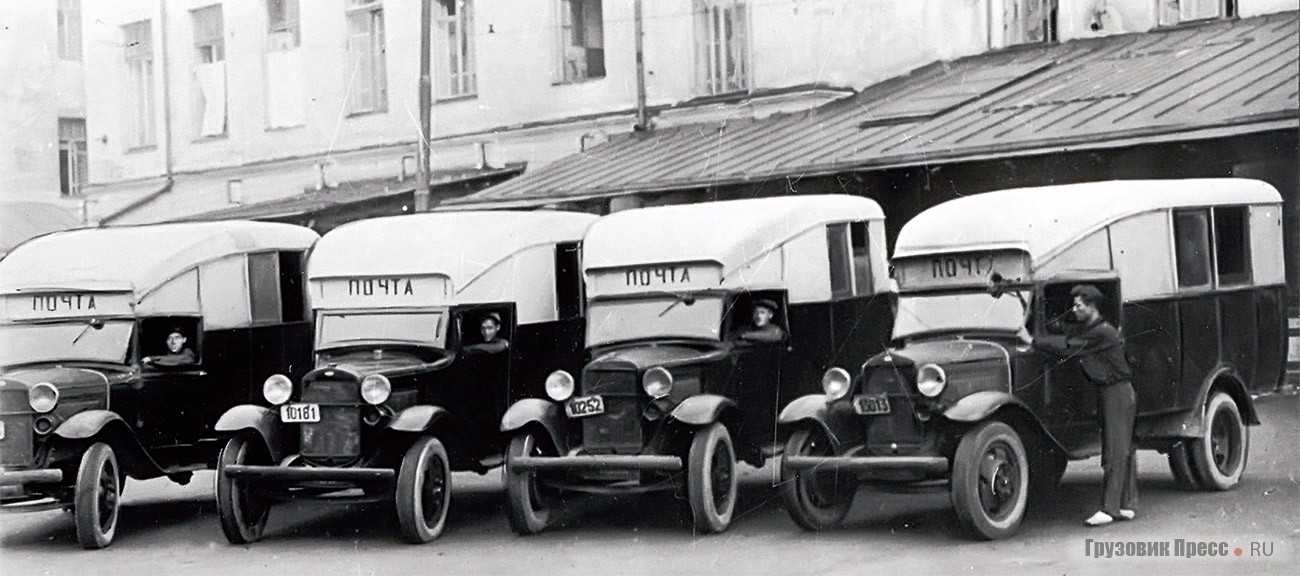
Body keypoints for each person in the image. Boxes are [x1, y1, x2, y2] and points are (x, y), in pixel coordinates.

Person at [1017, 284, 1137, 527]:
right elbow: (1068, 330)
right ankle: (1124, 505)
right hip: (1114, 392)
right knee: (1120, 448)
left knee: (1115, 450)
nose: (1074, 309)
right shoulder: (1095, 328)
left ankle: (1109, 509)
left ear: (1092, 307)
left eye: (1079, 305)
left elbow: (1068, 345)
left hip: (1116, 393)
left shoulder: (1101, 332)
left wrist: (1032, 340)